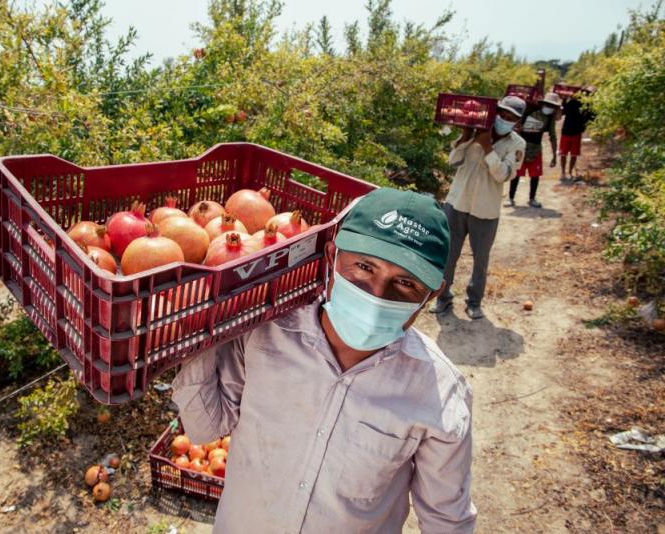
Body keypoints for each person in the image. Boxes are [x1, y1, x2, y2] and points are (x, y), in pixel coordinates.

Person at [173, 188, 477, 534]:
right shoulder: (266, 330)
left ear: (431, 294)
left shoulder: (438, 393)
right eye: (364, 266)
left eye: (405, 283)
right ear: (332, 256)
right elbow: (204, 427)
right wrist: (200, 323)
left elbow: (447, 521)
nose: (376, 294)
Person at [432, 95, 526, 319]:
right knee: (448, 254)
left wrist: (487, 148)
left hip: (485, 210)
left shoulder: (517, 144)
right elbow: (453, 161)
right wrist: (466, 137)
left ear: (517, 122)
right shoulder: (477, 131)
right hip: (457, 204)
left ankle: (474, 302)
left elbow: (504, 175)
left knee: (480, 260)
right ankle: (443, 297)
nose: (504, 119)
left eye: (510, 117)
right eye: (502, 113)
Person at [507, 92, 561, 208]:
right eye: (548, 105)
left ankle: (532, 198)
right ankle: (511, 198)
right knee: (517, 174)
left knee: (535, 175)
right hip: (521, 147)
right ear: (543, 104)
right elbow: (517, 125)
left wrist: (554, 156)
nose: (549, 108)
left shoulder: (549, 118)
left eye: (552, 106)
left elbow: (553, 136)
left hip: (536, 148)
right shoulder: (530, 111)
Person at [559, 86, 595, 180]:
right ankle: (567, 172)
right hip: (572, 132)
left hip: (568, 131)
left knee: (566, 154)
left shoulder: (577, 103)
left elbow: (563, 111)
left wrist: (564, 100)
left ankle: (565, 173)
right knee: (570, 154)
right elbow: (591, 118)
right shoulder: (583, 105)